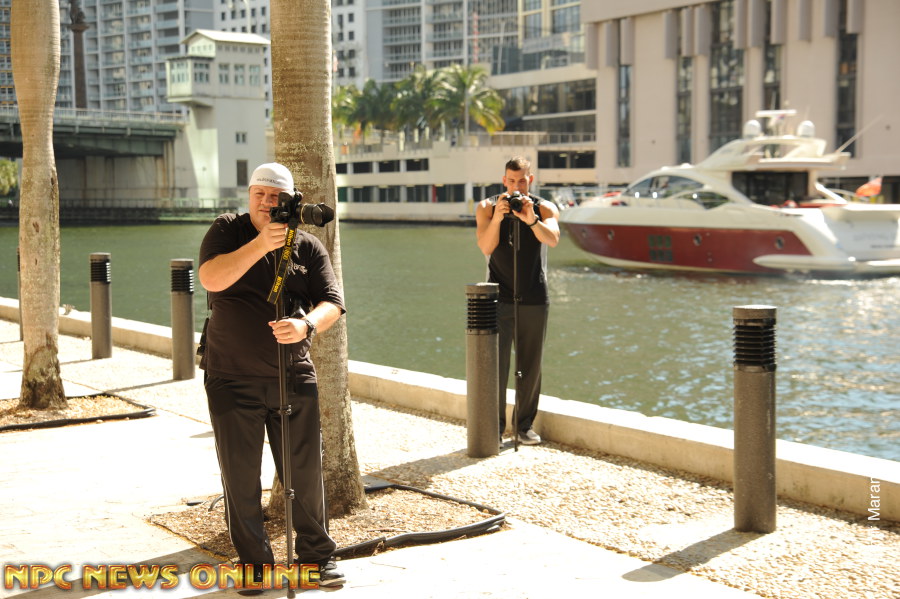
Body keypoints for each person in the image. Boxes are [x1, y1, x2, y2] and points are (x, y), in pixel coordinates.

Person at [198, 162, 346, 589]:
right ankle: (255, 567)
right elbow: (211, 277)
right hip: (230, 377)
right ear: (249, 196)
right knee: (240, 478)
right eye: (259, 194)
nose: (266, 202)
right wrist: (262, 244)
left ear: (291, 201)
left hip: (292, 375)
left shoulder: (308, 246)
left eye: (275, 196)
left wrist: (306, 325)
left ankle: (317, 558)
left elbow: (333, 302)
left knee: (305, 474)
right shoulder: (228, 229)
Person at [475, 156, 560, 446]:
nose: (516, 187)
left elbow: (553, 239)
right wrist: (499, 218)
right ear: (504, 181)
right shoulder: (487, 207)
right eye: (511, 181)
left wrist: (531, 219)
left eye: (522, 181)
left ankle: (524, 426)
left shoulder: (544, 208)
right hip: (498, 298)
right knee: (496, 366)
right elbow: (485, 246)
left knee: (529, 366)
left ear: (530, 180)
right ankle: (495, 429)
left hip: (534, 297)